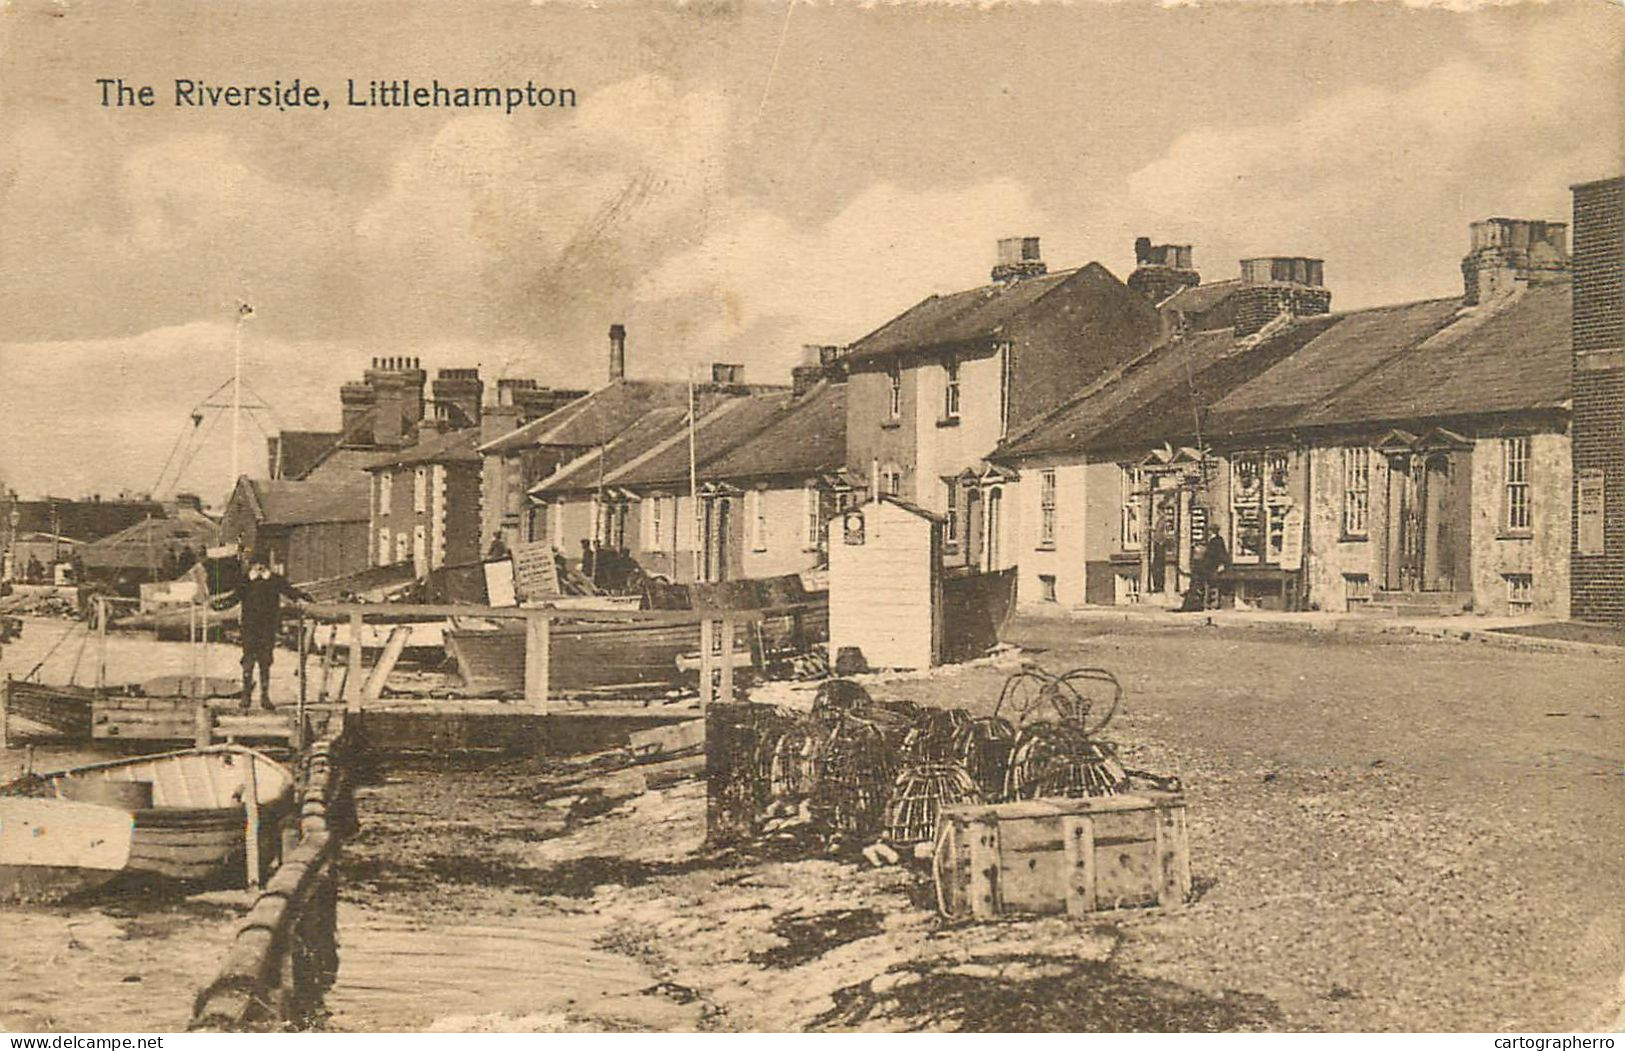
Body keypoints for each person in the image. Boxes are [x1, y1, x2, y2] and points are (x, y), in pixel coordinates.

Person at [212, 558, 312, 711]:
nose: (259, 568)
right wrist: (219, 605)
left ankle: (265, 696)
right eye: (256, 564)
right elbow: (235, 597)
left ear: (266, 566)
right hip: (249, 627)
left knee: (265, 660)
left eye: (261, 565)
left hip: (267, 627)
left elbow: (290, 591)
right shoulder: (246, 580)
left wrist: (304, 597)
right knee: (248, 660)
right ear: (252, 566)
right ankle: (246, 696)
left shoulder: (274, 580)